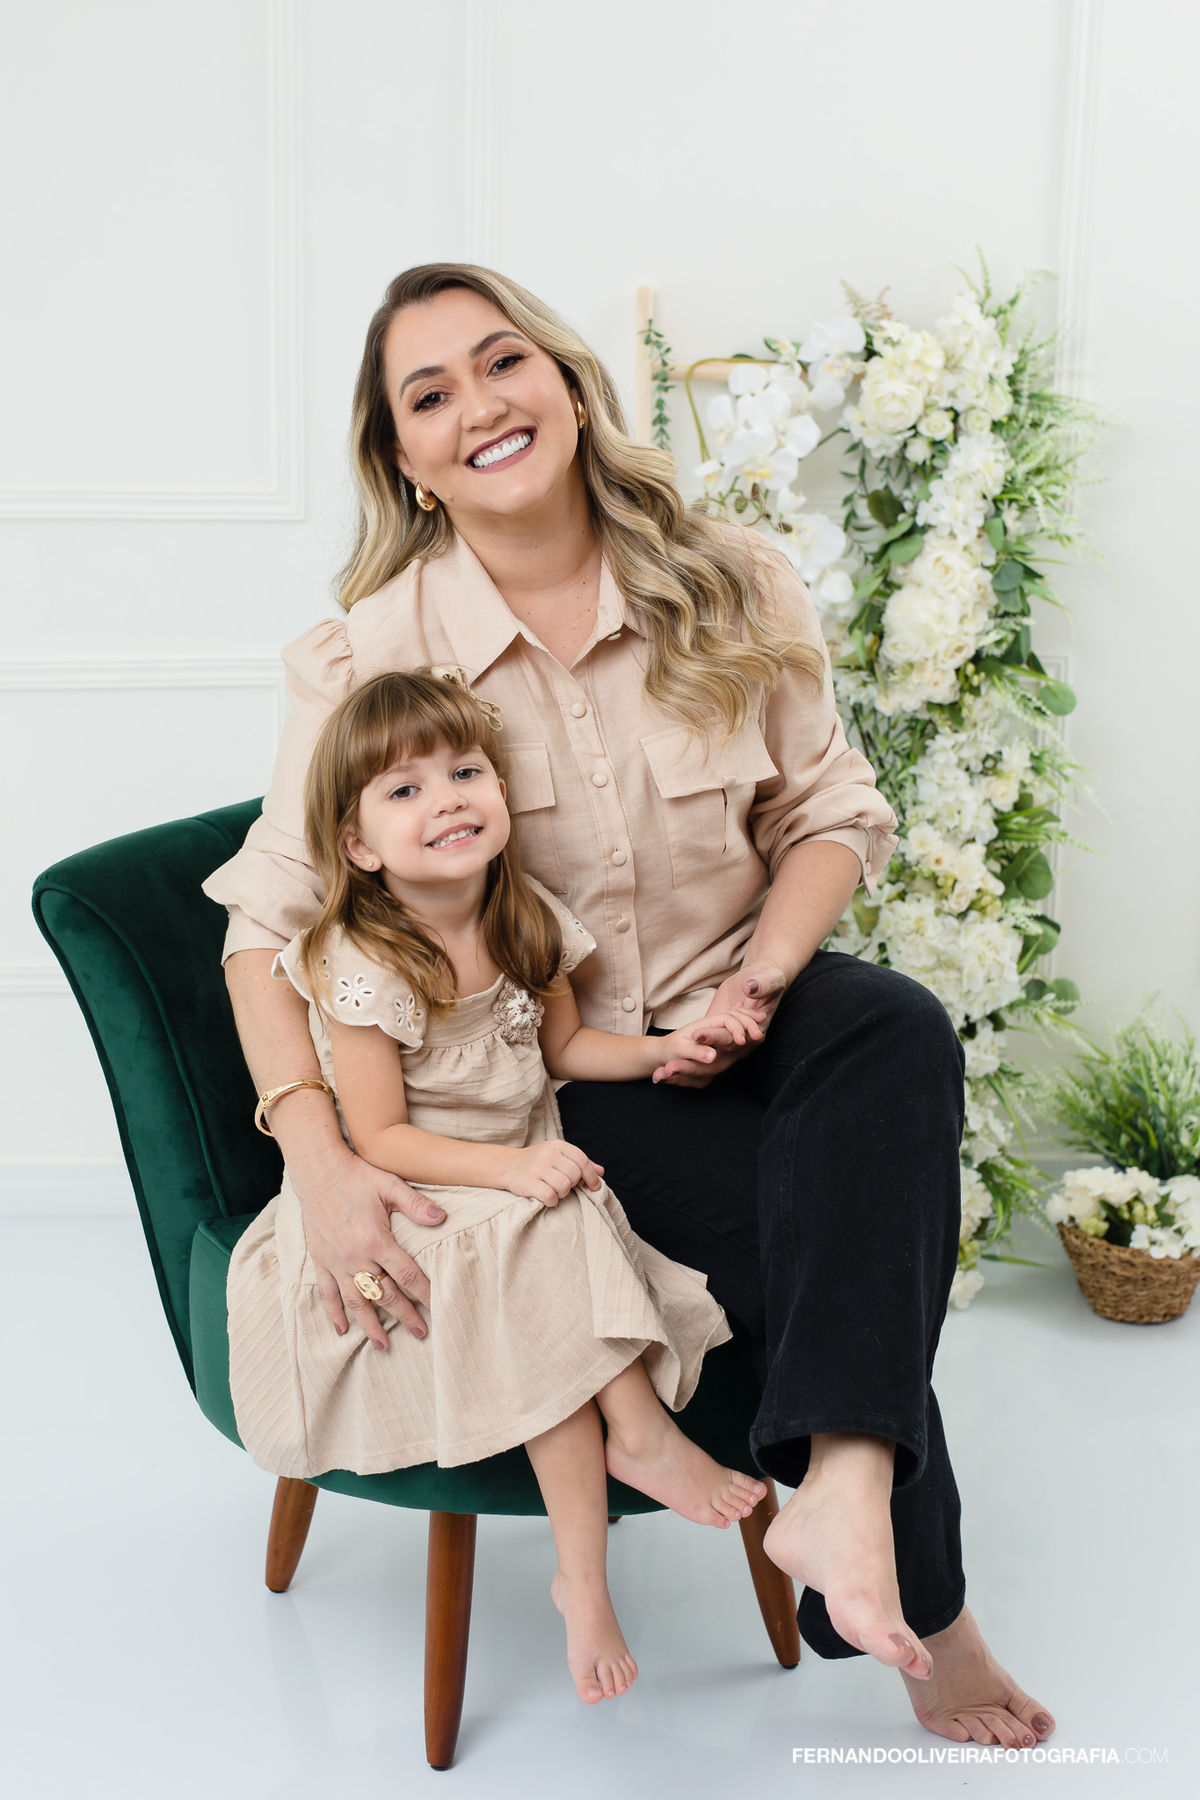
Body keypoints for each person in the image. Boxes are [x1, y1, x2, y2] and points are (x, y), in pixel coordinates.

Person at [205, 262, 1056, 1749]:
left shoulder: (731, 575)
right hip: (578, 1080)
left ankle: (841, 1493)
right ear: (403, 459)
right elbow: (259, 932)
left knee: (900, 1028)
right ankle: (926, 1604)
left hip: (751, 1002)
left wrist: (761, 984)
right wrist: (319, 1151)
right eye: (429, 396)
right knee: (836, 1222)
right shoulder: (372, 659)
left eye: (501, 362)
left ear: (568, 379)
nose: (479, 406)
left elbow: (834, 816)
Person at [227, 667, 768, 1704]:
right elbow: (379, 1134)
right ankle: (641, 1447)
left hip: (512, 1183)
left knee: (551, 1271)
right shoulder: (362, 960)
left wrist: (666, 1048)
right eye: (404, 790)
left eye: (465, 771)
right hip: (406, 1190)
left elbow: (566, 1046)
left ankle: (581, 1575)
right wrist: (515, 1168)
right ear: (358, 845)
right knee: (552, 1226)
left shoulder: (524, 919)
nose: (447, 800)